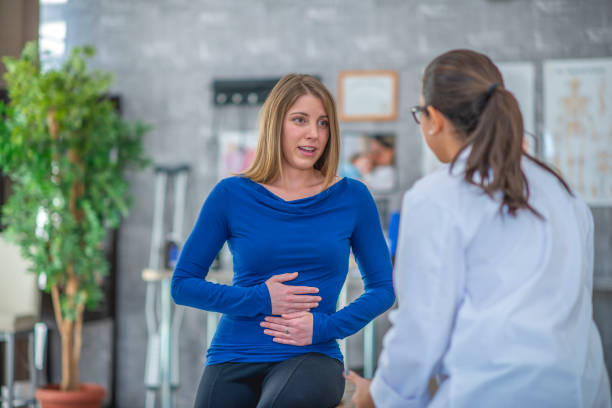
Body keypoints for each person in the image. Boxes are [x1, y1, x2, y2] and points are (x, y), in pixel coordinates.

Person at [347, 49, 611, 408]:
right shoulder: (561, 190)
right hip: (579, 390)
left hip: (489, 393)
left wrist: (377, 396)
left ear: (434, 119)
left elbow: (422, 325)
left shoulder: (438, 195)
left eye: (418, 112)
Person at [171, 73, 395, 408]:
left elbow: (382, 290)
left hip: (313, 355)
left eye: (323, 123)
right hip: (234, 352)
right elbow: (183, 284)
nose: (313, 134)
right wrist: (260, 298)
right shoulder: (231, 194)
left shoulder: (353, 196)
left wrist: (325, 327)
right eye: (300, 120)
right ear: (276, 124)